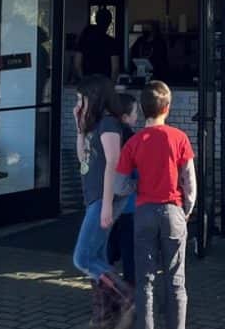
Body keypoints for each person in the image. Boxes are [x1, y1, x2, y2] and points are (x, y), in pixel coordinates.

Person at [116, 81, 195, 329]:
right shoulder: (180, 138)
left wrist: (136, 187)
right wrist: (187, 209)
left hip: (144, 211)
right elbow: (189, 180)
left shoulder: (134, 142)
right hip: (173, 210)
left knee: (145, 280)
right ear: (167, 108)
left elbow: (119, 185)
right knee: (175, 280)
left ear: (142, 107)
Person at [72, 75, 134, 329]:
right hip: (94, 196)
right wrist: (79, 128)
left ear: (94, 98)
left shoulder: (109, 124)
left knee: (83, 258)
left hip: (103, 197)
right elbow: (82, 158)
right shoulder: (94, 125)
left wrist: (107, 204)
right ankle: (104, 316)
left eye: (81, 99)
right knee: (97, 257)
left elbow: (113, 163)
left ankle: (126, 296)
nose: (78, 104)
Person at [107, 93, 141, 287]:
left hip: (108, 203)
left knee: (108, 250)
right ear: (126, 116)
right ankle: (131, 291)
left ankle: (107, 291)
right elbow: (136, 172)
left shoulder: (105, 134)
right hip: (128, 205)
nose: (137, 117)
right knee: (130, 251)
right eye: (135, 113)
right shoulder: (131, 139)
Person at [75, 9, 122, 80]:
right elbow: (115, 68)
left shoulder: (84, 39)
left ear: (96, 20)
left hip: (88, 81)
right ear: (109, 22)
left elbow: (77, 65)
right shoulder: (111, 42)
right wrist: (112, 84)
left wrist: (83, 80)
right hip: (104, 81)